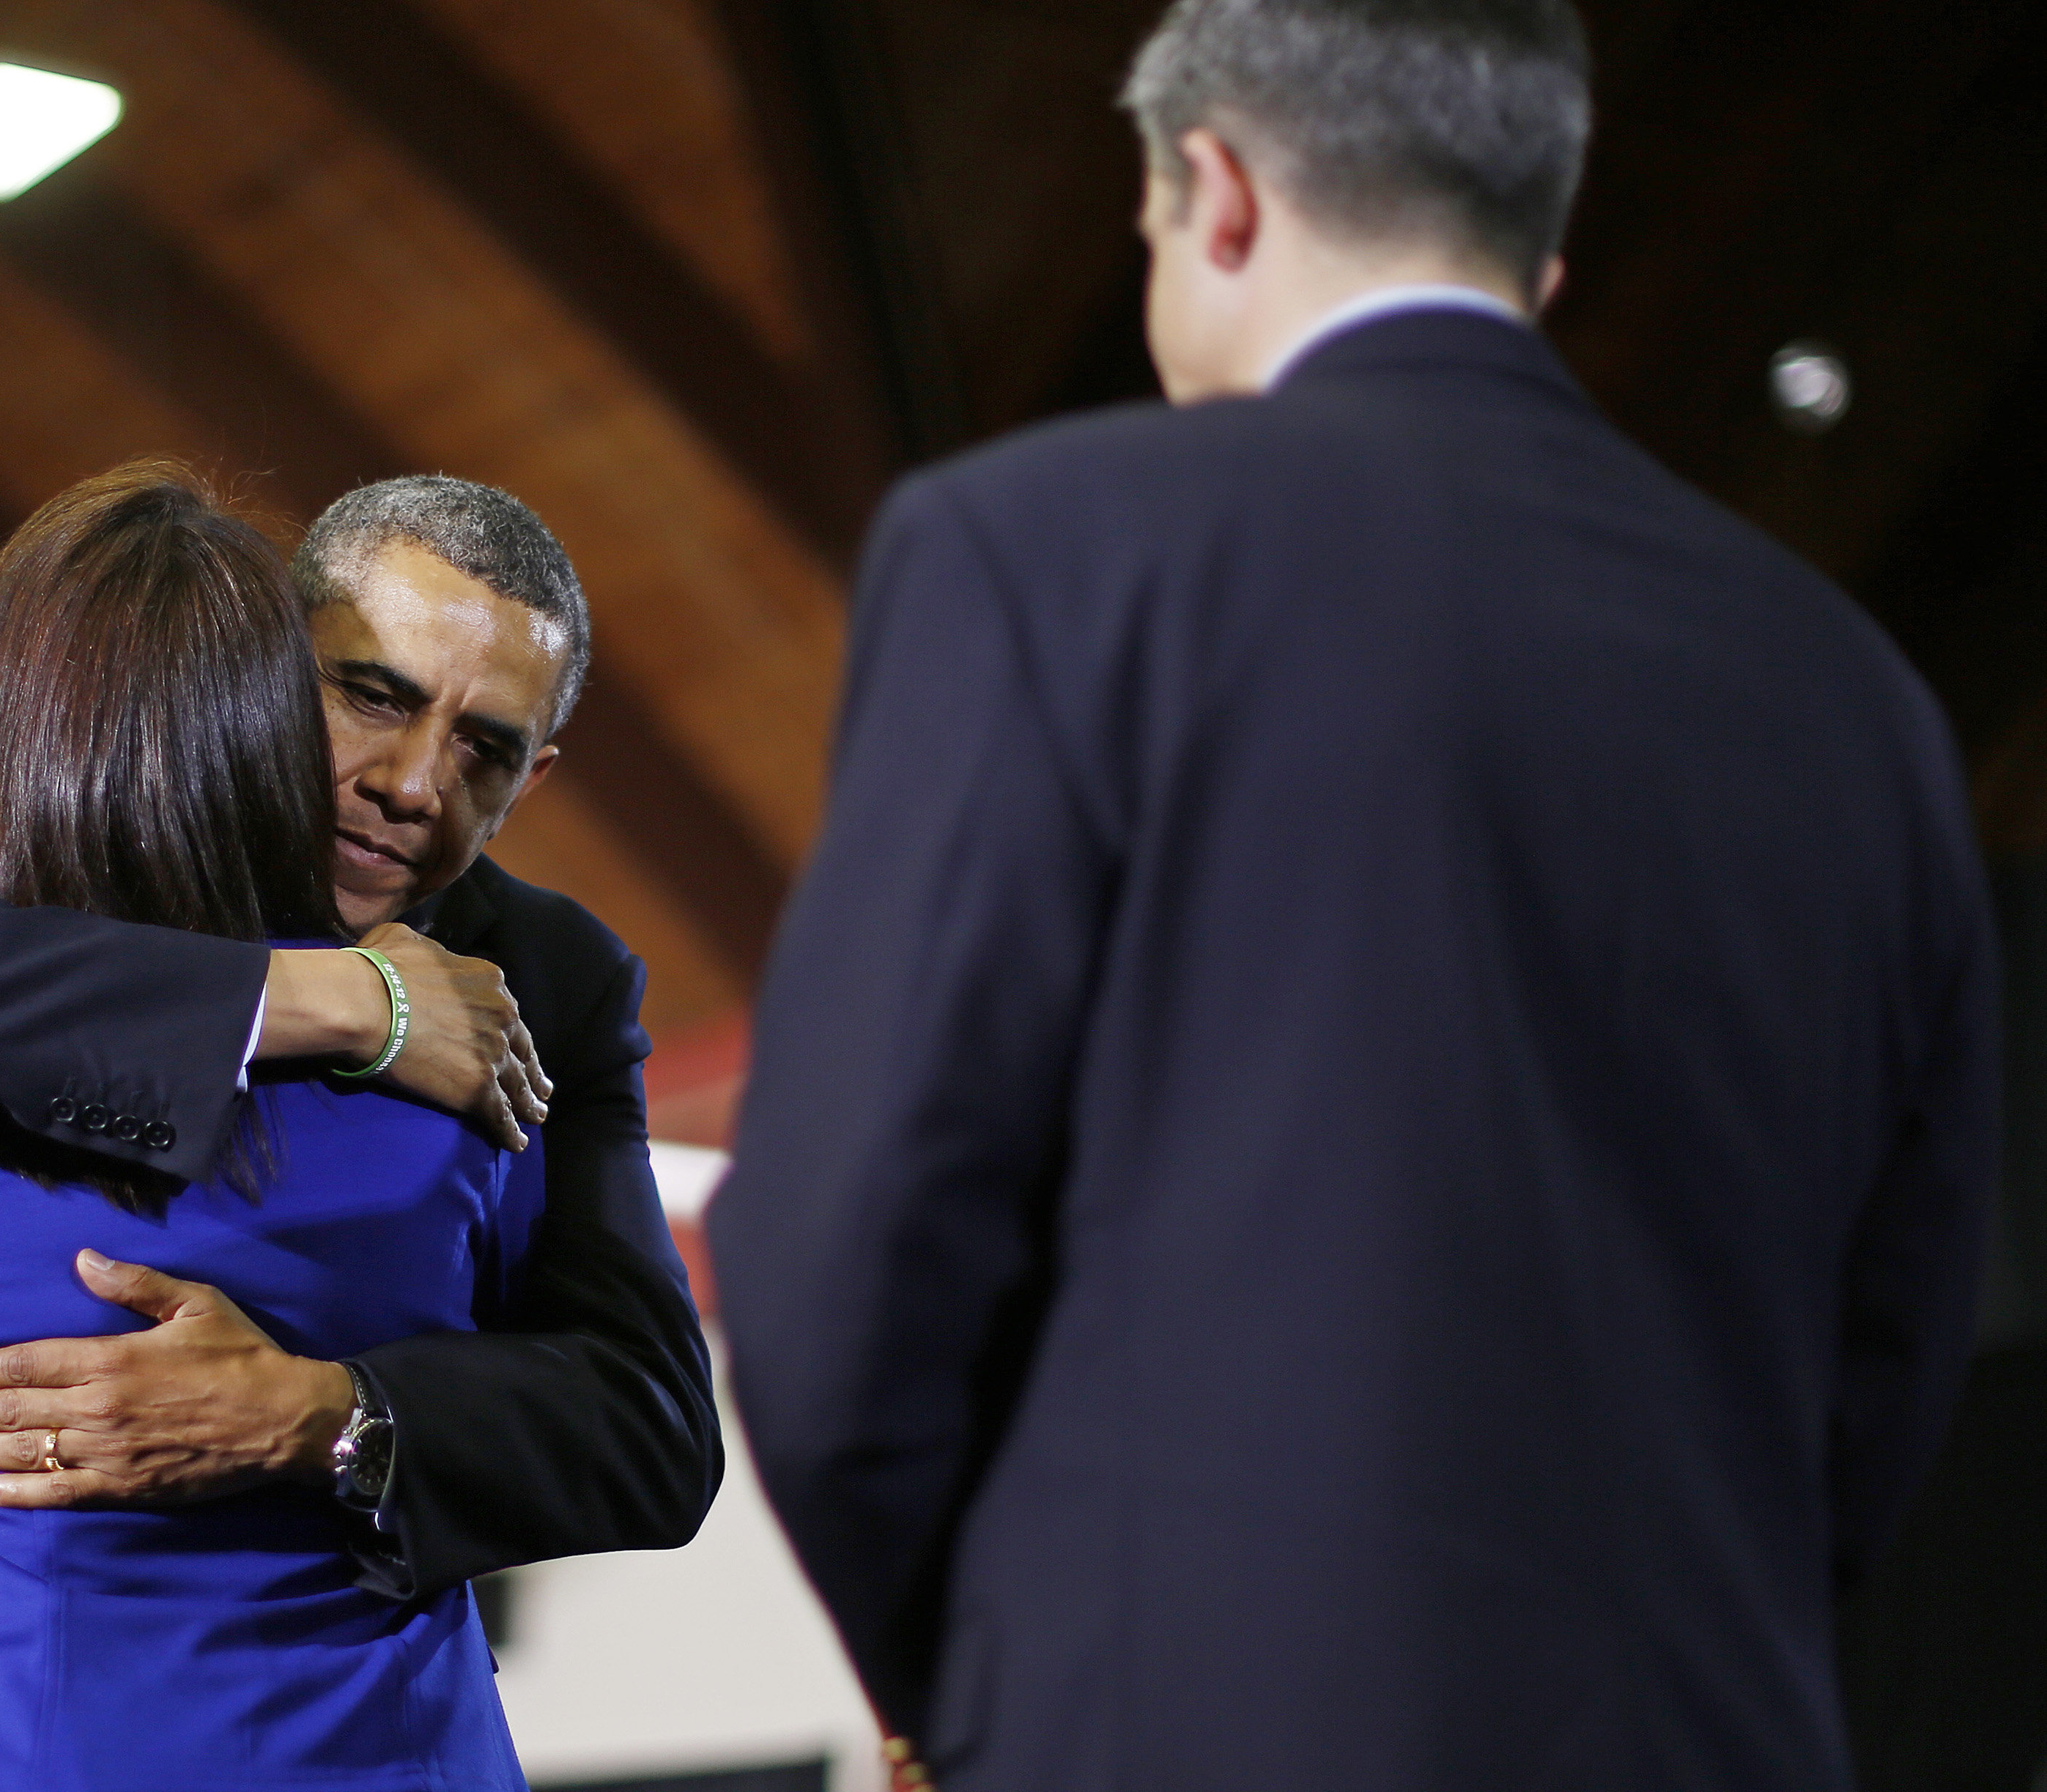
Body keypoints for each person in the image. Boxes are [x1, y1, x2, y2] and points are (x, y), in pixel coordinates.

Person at [706, 2, 1997, 1788]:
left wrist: (1004, 1672)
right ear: (1539, 254)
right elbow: (1893, 1340)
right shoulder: (1857, 698)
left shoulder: (1043, 553)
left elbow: (840, 1246)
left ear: (1216, 196)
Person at [0, 475, 718, 1791]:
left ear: (534, 775)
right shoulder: (3, 816)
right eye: (372, 694)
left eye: (484, 748)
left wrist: (328, 1413)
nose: (418, 783)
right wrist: (327, 1002)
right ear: (251, 669)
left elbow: (653, 1425)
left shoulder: (540, 990)